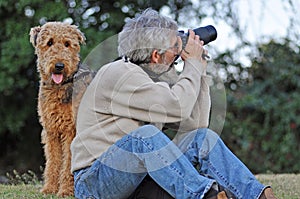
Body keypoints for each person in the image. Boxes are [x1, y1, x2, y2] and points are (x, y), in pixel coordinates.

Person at [71, 8, 277, 199]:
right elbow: (177, 107)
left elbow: (195, 126)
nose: (179, 52)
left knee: (201, 138)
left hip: (138, 179)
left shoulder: (157, 78)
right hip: (94, 181)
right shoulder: (118, 73)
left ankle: (257, 195)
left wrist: (199, 71)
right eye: (175, 46)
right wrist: (192, 68)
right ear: (155, 55)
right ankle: (206, 196)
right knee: (145, 137)